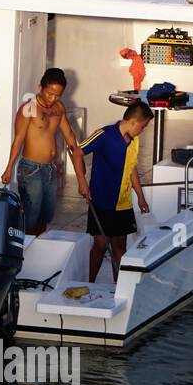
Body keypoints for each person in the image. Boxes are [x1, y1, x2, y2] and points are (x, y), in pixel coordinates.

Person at [0, 68, 89, 235]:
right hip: (31, 169)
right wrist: (9, 168)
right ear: (40, 86)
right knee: (30, 217)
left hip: (50, 169)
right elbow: (18, 140)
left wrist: (80, 169)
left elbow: (69, 135)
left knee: (45, 216)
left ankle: (38, 248)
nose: (52, 99)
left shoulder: (59, 108)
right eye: (49, 94)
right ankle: (24, 253)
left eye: (57, 95)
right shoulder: (29, 109)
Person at [77, 101, 154, 282]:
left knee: (120, 246)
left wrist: (141, 197)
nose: (142, 131)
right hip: (102, 200)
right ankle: (90, 282)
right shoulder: (104, 134)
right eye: (143, 127)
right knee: (100, 244)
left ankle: (118, 286)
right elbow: (77, 152)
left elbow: (132, 168)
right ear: (134, 122)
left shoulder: (134, 140)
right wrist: (82, 182)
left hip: (123, 202)